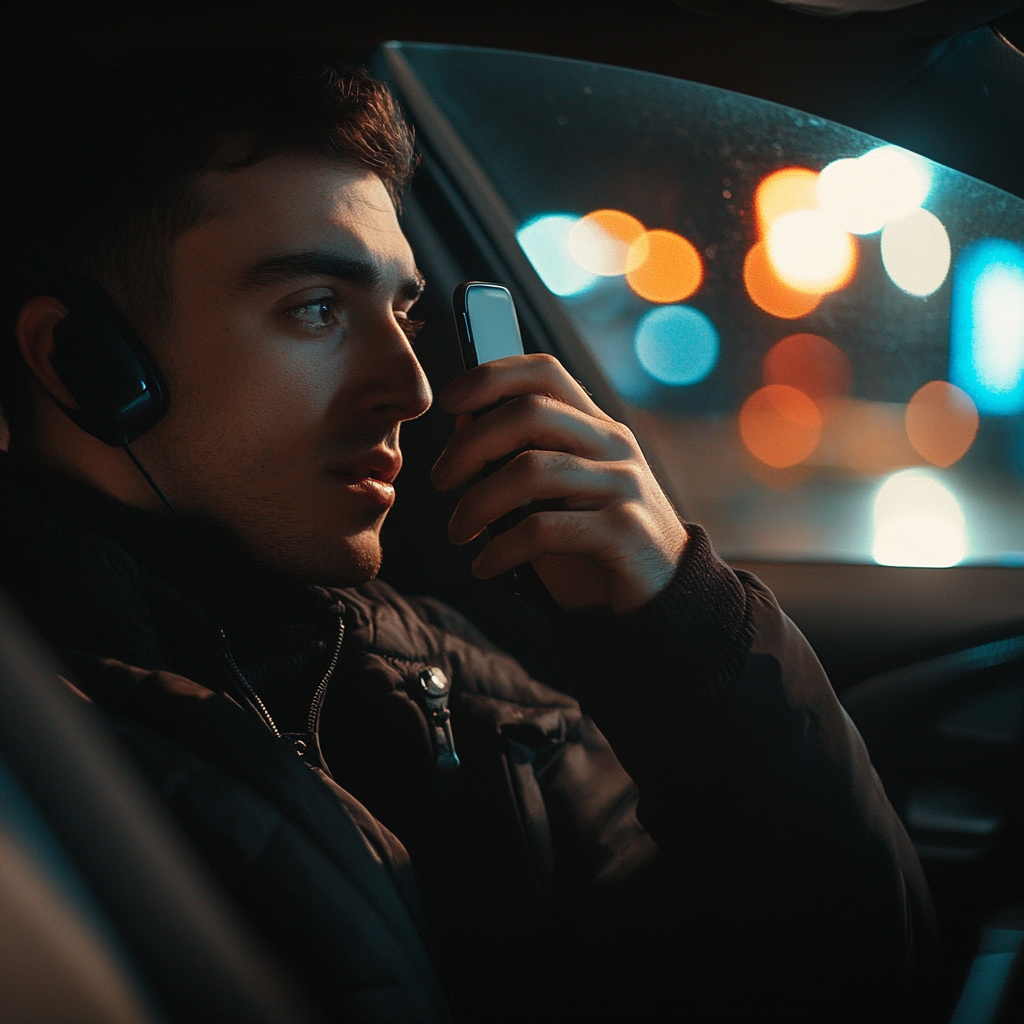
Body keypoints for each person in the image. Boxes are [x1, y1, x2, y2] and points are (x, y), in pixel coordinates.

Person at [0, 52, 934, 1022]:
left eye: (400, 310)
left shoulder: (438, 673)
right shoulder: (43, 747)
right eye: (314, 309)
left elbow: (843, 979)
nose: (408, 388)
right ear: (82, 361)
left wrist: (681, 624)